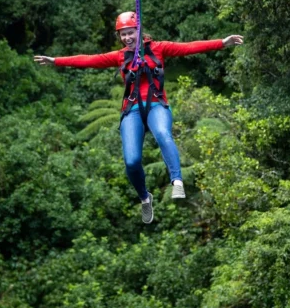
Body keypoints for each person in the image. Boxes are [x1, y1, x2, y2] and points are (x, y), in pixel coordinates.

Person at [34, 12, 243, 224]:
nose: (127, 38)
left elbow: (188, 47)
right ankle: (145, 197)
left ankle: (177, 180)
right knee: (132, 161)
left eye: (130, 33)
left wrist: (221, 43)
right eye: (123, 35)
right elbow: (88, 60)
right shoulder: (119, 56)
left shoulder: (159, 48)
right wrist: (56, 61)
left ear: (139, 32)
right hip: (131, 109)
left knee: (163, 133)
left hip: (156, 104)